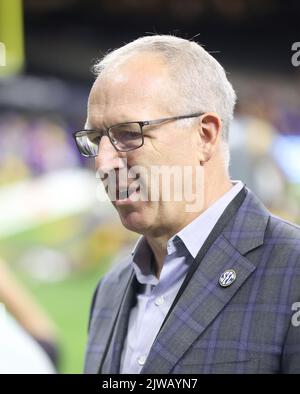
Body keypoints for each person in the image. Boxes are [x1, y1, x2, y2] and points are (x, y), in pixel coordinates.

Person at [74, 35, 300, 374]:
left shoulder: (292, 272)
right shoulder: (111, 288)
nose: (104, 164)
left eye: (128, 133)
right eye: (96, 139)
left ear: (205, 136)